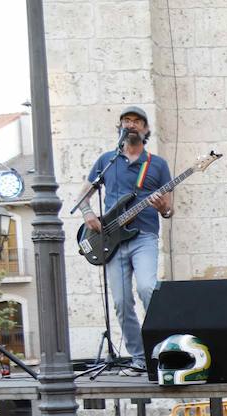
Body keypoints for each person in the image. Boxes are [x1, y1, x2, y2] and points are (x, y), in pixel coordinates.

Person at [81, 106, 174, 374]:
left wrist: (161, 207)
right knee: (122, 302)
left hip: (143, 235)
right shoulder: (106, 161)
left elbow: (169, 210)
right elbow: (84, 195)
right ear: (120, 127)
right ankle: (138, 357)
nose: (131, 124)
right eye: (126, 121)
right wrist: (88, 213)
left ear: (146, 130)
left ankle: (159, 349)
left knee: (147, 288)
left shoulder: (157, 164)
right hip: (111, 239)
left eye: (136, 121)